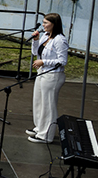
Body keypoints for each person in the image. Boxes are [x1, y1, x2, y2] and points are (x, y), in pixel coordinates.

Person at [29, 13, 69, 143]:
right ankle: (39, 128)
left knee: (48, 105)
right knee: (39, 101)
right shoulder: (46, 36)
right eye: (43, 22)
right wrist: (35, 41)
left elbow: (62, 61)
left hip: (53, 75)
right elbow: (35, 52)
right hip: (42, 72)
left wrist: (44, 62)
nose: (43, 25)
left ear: (54, 24)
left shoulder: (60, 40)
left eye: (46, 23)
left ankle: (46, 135)